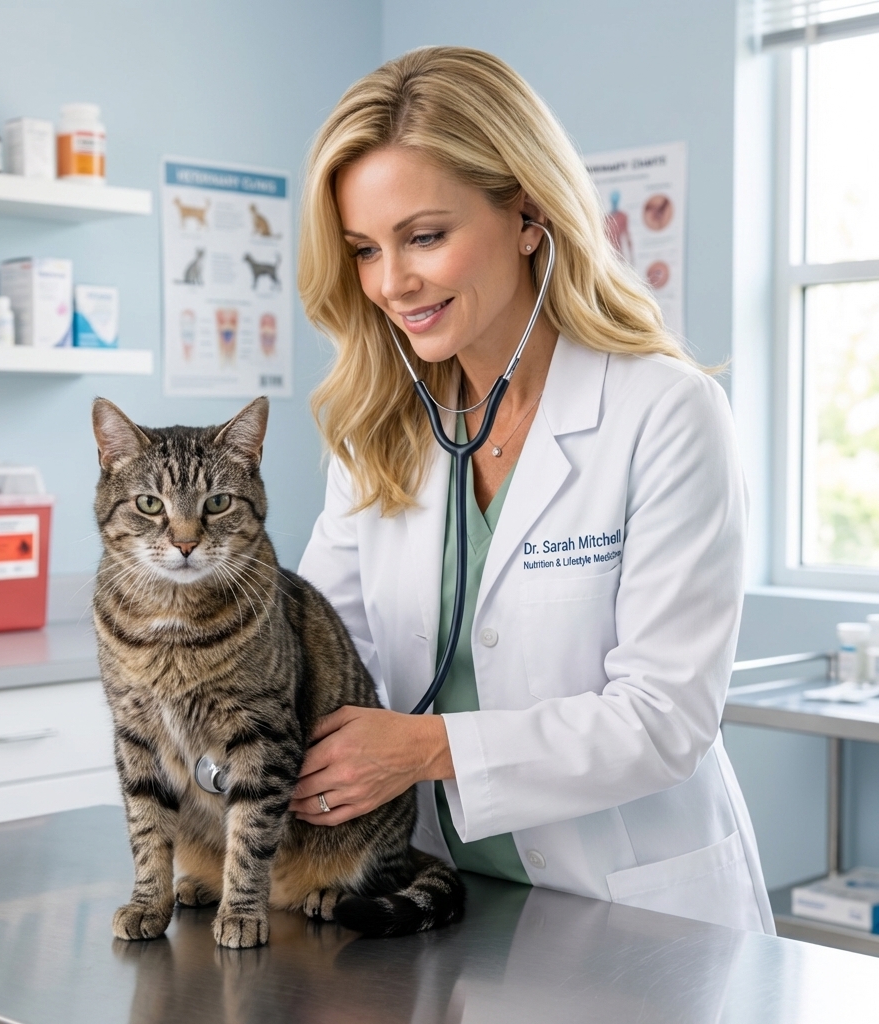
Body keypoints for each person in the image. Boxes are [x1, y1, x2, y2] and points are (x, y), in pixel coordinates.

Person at [290, 46, 773, 933]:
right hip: (445, 904)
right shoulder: (377, 432)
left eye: (425, 236)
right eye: (365, 249)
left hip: (635, 915)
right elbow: (323, 653)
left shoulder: (664, 412)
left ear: (527, 213)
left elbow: (665, 720)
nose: (392, 283)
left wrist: (427, 750)